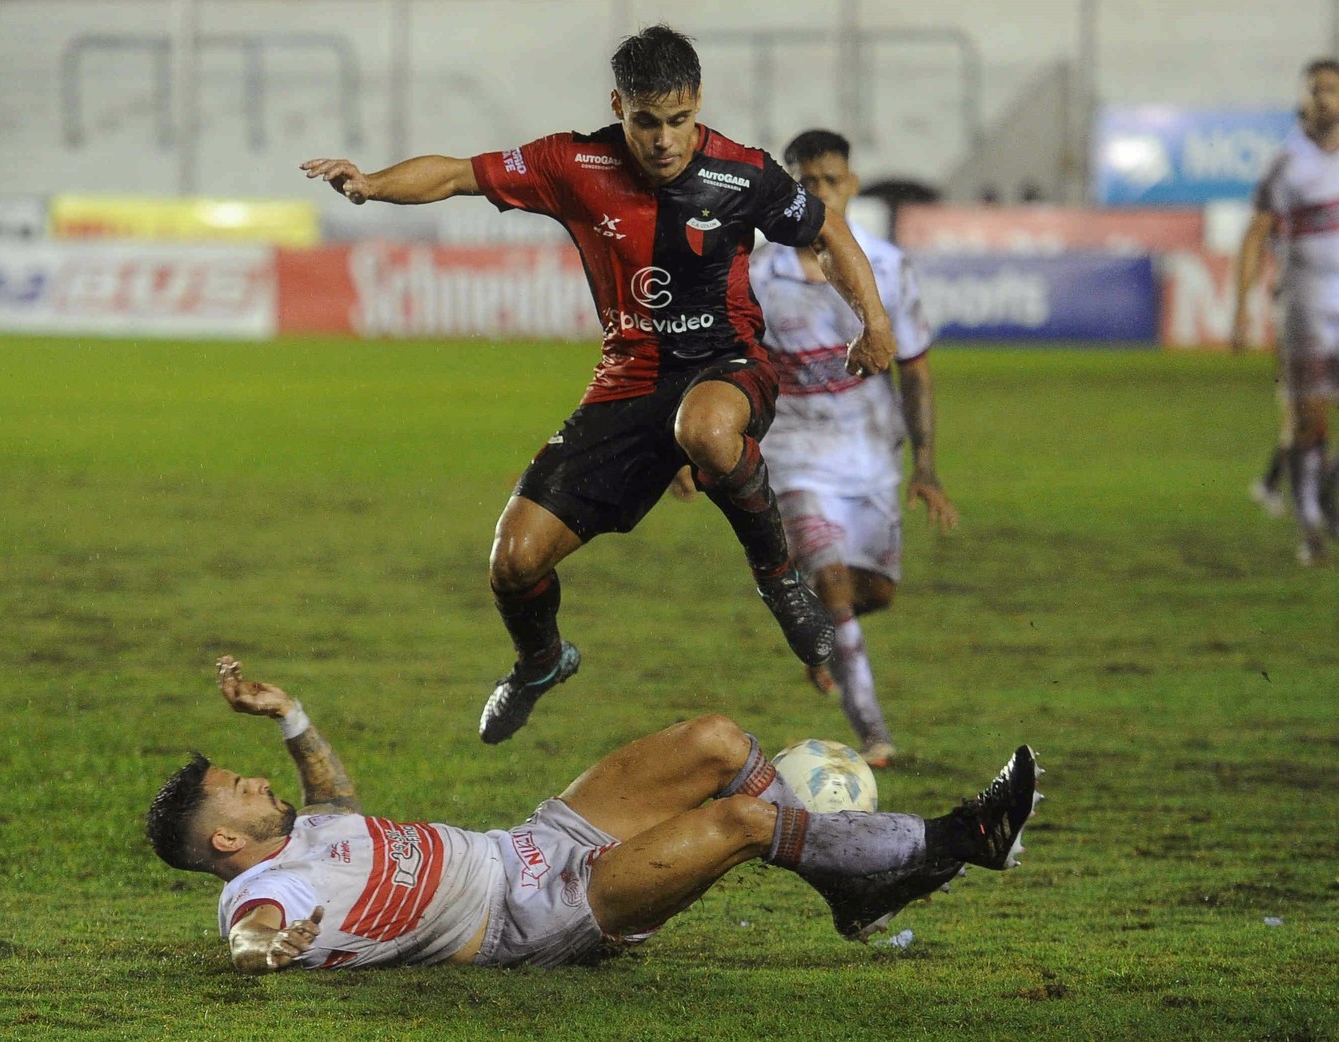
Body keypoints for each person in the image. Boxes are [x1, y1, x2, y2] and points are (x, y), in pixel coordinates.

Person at [301, 25, 898, 744]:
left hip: (727, 365)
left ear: (697, 103)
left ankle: (778, 582)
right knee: (513, 563)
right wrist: (370, 183)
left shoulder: (743, 174)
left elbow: (826, 230)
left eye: (677, 121)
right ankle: (540, 662)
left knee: (706, 431)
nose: (663, 140)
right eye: (645, 121)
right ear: (619, 106)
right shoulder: (571, 162)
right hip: (625, 386)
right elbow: (458, 173)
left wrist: (873, 321)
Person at [145, 657, 1043, 973]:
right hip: (530, 919)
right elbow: (252, 937)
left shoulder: (309, 829)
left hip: (533, 843)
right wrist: (267, 952)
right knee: (736, 822)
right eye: (241, 790)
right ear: (226, 840)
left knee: (715, 741)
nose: (260, 785)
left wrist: (289, 713)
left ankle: (853, 897)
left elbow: (335, 795)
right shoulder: (268, 890)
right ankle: (961, 838)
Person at [748, 129, 956, 766]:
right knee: (835, 582)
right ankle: (873, 734)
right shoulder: (758, 275)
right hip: (794, 456)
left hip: (870, 456)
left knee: (874, 593)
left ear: (852, 186)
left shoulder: (888, 268)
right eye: (803, 182)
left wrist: (924, 466)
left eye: (828, 181)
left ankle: (810, 619)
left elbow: (914, 369)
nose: (816, 194)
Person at [1235, 61, 1339, 564]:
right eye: (1316, 90)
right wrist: (1240, 308)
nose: (1324, 98)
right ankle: (1312, 529)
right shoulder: (1286, 165)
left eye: (1334, 90)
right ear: (1303, 100)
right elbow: (1255, 235)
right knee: (1307, 424)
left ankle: (1317, 496)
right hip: (1304, 312)